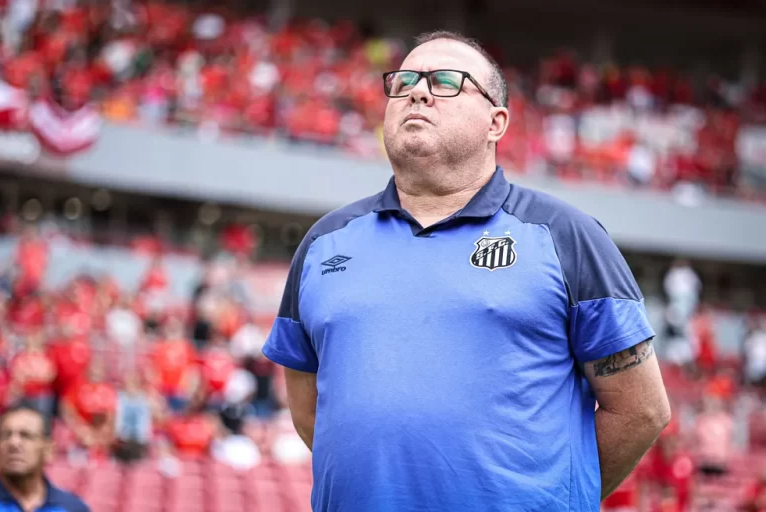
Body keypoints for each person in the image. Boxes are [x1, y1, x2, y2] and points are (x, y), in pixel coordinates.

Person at [262, 30, 671, 511]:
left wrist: (548, 498)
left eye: (446, 81)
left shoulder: (566, 236)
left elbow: (640, 409)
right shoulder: (323, 242)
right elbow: (311, 408)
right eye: (405, 80)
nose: (417, 91)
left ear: (496, 121)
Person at [0, 403, 89, 511]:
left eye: (26, 435)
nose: (13, 443)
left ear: (48, 450)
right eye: (5, 435)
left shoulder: (71, 507)